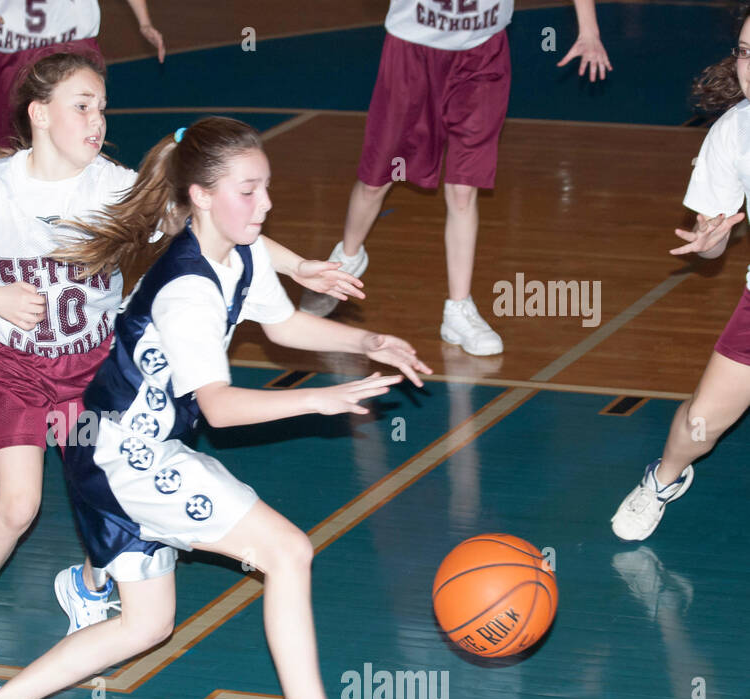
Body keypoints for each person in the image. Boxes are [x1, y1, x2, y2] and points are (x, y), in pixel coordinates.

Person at [0, 117, 433, 699]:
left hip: (114, 452)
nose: (264, 206)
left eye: (265, 190)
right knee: (288, 552)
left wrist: (370, 340)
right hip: (126, 458)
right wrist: (319, 401)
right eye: (248, 191)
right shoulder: (188, 288)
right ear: (201, 195)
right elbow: (222, 408)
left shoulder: (239, 253)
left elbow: (282, 323)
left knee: (147, 623)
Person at [0, 54, 366, 684]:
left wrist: (298, 269)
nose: (97, 120)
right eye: (82, 106)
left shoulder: (113, 186)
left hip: (90, 364)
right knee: (18, 506)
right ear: (39, 114)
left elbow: (211, 222)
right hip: (11, 364)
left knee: (104, 486)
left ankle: (86, 584)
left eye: (102, 108)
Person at [302, 0, 611, 356]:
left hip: (483, 54)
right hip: (412, 52)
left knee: (464, 190)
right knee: (377, 180)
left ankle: (458, 310)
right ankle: (348, 256)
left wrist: (589, 30)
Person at [612, 16, 750, 540]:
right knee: (701, 424)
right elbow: (711, 249)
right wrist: (710, 236)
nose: (749, 66)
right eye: (743, 51)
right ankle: (662, 481)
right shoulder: (734, 132)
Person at [0, 0, 164, 151]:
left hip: (72, 51)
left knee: (78, 142)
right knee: (7, 148)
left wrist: (144, 21)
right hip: (12, 54)